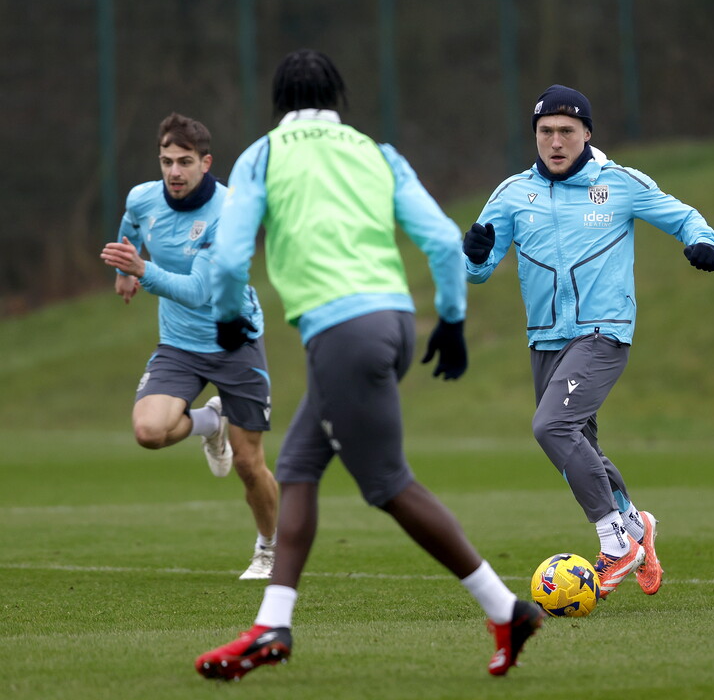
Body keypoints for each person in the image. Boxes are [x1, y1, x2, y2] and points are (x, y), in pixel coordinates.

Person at [194, 49, 543, 681]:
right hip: (394, 324)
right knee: (298, 464)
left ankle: (506, 608)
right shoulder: (376, 152)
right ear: (338, 99)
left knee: (387, 484)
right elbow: (442, 240)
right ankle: (272, 626)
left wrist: (224, 313)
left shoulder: (264, 154)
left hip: (342, 337)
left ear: (280, 103)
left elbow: (227, 257)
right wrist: (455, 321)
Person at [462, 84, 714, 600]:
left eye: (566, 131)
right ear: (535, 135)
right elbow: (479, 271)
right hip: (544, 338)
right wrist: (474, 253)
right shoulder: (512, 193)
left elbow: (684, 216)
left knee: (551, 425)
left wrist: (702, 242)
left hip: (604, 332)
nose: (555, 141)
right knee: (583, 447)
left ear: (586, 134)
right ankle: (635, 523)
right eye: (546, 132)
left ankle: (615, 543)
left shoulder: (619, 183)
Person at [100, 113, 278, 580]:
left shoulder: (227, 211)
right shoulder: (143, 197)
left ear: (205, 162)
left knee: (248, 463)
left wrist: (141, 272)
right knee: (148, 432)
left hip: (233, 338)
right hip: (179, 344)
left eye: (183, 162)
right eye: (165, 162)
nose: (173, 172)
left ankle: (268, 549)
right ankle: (210, 421)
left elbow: (201, 291)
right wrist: (124, 269)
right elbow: (131, 224)